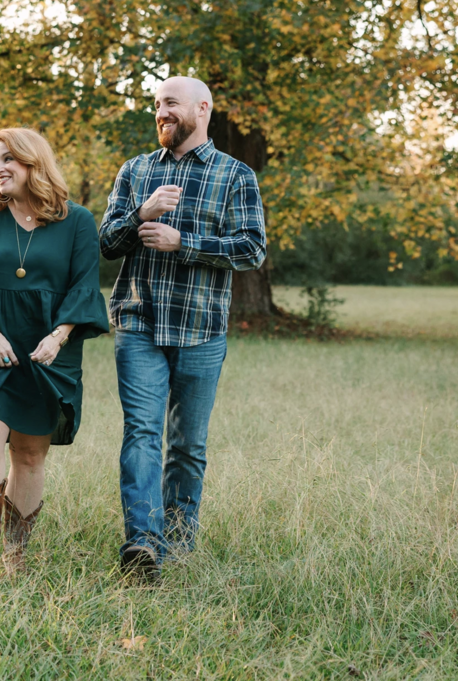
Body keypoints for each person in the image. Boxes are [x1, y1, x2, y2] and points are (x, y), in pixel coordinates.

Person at [99, 76, 267, 581]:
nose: (161, 113)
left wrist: (183, 242)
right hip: (139, 323)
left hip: (201, 328)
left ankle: (179, 540)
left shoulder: (234, 175)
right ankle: (144, 545)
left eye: (170, 104)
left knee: (189, 445)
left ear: (202, 108)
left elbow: (251, 249)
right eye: (156, 106)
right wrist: (140, 215)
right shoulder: (136, 171)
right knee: (143, 434)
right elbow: (107, 243)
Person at [0, 127, 109, 574]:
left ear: (33, 164)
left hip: (49, 347)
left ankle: (17, 551)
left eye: (7, 160)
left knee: (31, 453)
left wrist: (58, 337)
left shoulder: (76, 221)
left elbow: (83, 288)